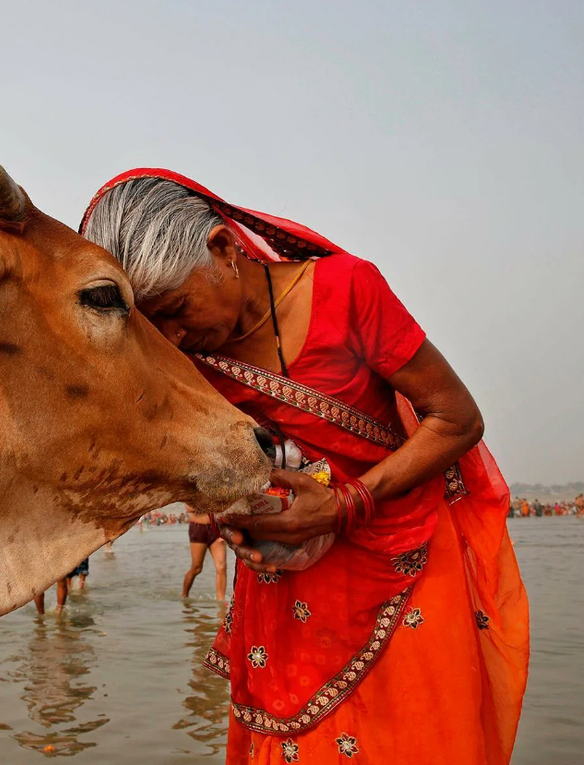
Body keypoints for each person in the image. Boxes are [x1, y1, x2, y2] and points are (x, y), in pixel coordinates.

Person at [81, 170, 528, 765]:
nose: (173, 337)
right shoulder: (185, 361)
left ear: (224, 249)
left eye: (178, 309)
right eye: (153, 326)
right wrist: (240, 522)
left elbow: (457, 419)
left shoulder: (347, 291)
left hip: (405, 558)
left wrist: (343, 506)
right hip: (287, 583)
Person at [183, 505, 229, 600]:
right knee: (197, 568)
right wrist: (212, 506)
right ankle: (184, 596)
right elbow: (190, 508)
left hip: (216, 529)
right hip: (198, 528)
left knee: (222, 567)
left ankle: (221, 601)